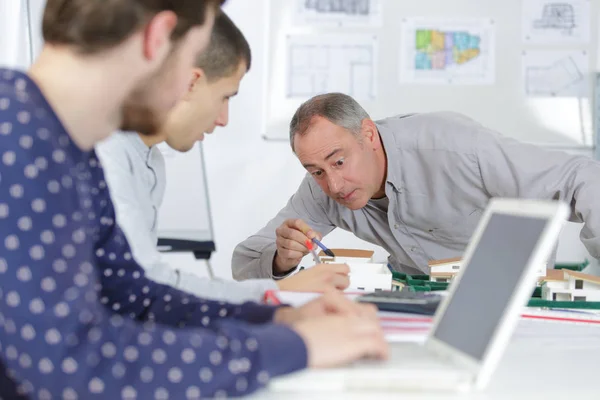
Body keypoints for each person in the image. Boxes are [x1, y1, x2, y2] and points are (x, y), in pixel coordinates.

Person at [0, 2, 388, 398]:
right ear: (158, 38)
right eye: (191, 55)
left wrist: (280, 318)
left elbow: (135, 298)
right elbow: (73, 363)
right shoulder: (16, 136)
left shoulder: (61, 140)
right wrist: (292, 347)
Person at [96, 12, 350, 304]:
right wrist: (277, 293)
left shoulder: (151, 162)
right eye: (225, 97)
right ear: (191, 83)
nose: (223, 119)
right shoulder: (106, 155)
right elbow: (145, 285)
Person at [232, 92, 600, 279]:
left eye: (338, 161)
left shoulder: (455, 145)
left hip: (511, 300)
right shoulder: (321, 186)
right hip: (416, 307)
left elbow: (581, 177)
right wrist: (282, 259)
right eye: (315, 171)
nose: (334, 184)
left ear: (369, 135)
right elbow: (246, 260)